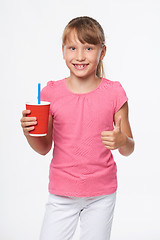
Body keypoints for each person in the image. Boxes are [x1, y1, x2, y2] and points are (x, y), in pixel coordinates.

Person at [20, 16, 135, 240]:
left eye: (88, 48)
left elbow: (129, 147)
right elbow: (43, 147)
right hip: (61, 193)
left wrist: (122, 141)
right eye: (72, 48)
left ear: (102, 52)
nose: (80, 56)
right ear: (63, 52)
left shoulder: (115, 92)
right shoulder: (50, 93)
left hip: (101, 194)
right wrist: (28, 132)